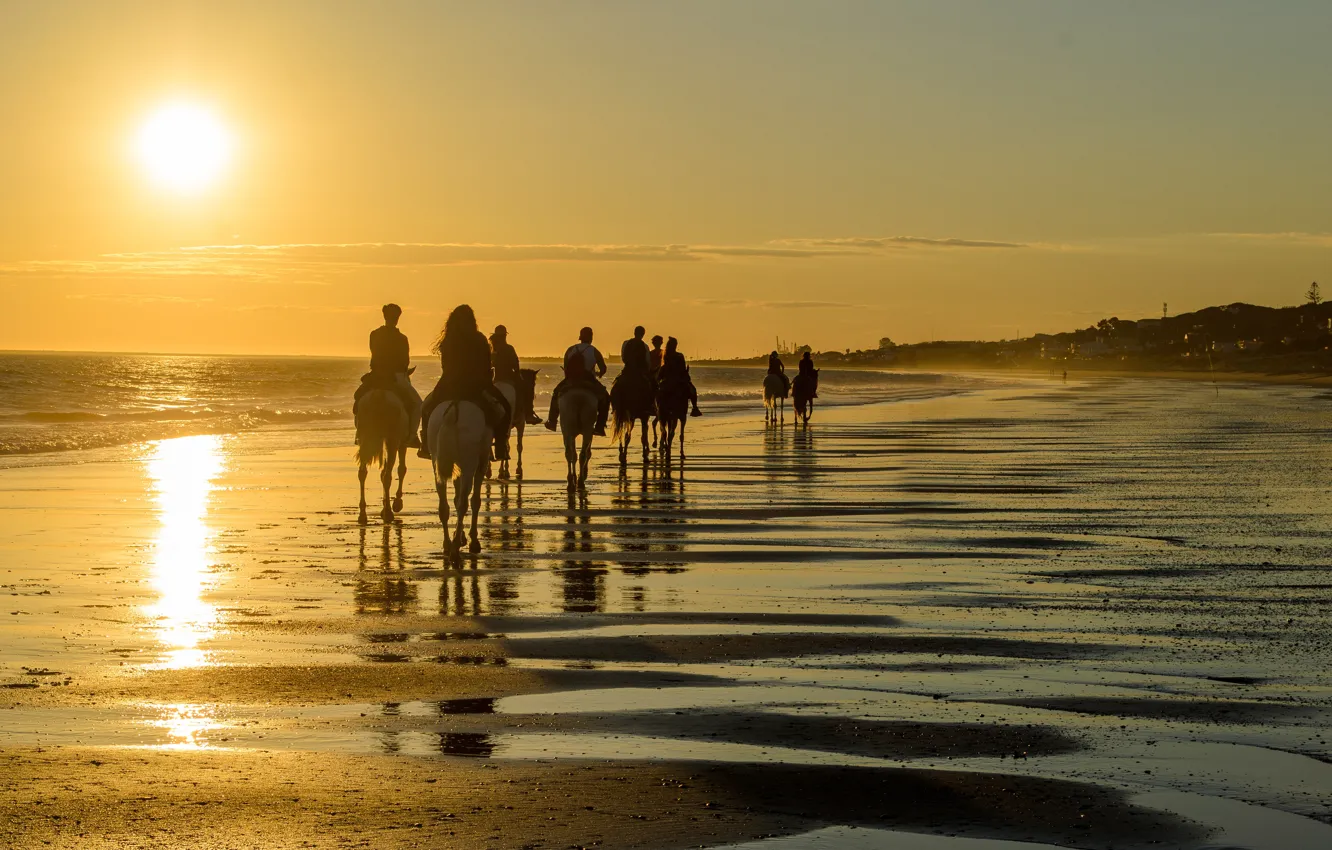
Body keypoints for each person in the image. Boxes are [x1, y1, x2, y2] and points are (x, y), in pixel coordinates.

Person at [417, 305, 512, 460]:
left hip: (448, 385)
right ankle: (501, 446)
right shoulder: (480, 339)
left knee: (426, 408)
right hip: (475, 386)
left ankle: (426, 445)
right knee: (504, 408)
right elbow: (486, 366)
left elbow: (445, 366)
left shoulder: (448, 341)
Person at [354, 303, 422, 448]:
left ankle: (359, 434)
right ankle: (412, 436)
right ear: (397, 318)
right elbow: (405, 361)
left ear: (384, 316)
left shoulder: (374, 334)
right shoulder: (402, 338)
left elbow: (373, 352)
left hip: (376, 376)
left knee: (358, 398)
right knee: (417, 404)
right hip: (396, 376)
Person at [545, 326, 610, 436]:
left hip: (571, 380)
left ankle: (552, 421)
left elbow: (566, 368)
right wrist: (598, 374)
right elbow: (603, 368)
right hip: (588, 380)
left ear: (580, 337)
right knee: (606, 397)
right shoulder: (594, 351)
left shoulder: (571, 349)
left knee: (556, 393)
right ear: (591, 338)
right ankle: (599, 426)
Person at [491, 325, 542, 425]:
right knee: (527, 391)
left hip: (496, 380)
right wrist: (518, 375)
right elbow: (515, 363)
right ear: (505, 336)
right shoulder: (509, 348)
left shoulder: (492, 349)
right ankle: (529, 414)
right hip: (509, 379)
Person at [659, 337, 703, 417]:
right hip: (678, 380)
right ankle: (695, 408)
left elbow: (665, 367)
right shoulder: (679, 355)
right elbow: (682, 369)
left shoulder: (665, 355)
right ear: (675, 345)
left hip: (667, 379)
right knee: (693, 390)